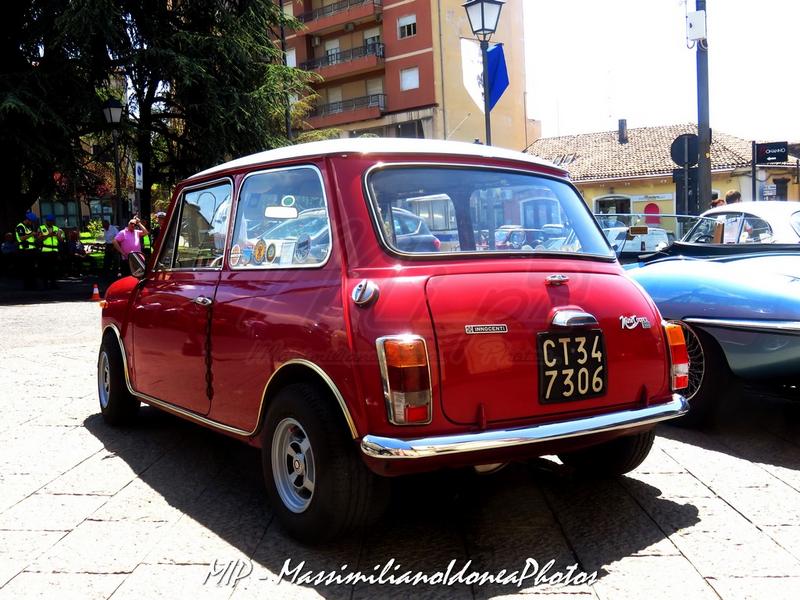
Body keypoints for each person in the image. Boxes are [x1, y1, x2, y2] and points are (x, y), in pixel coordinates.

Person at [15, 211, 40, 289]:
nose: (32, 223)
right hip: (24, 251)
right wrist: (31, 234)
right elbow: (21, 238)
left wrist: (36, 236)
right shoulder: (20, 226)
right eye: (32, 221)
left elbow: (31, 238)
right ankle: (27, 286)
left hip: (31, 250)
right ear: (28, 220)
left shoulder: (29, 226)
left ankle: (32, 285)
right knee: (27, 269)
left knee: (32, 269)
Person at [39, 214, 64, 288]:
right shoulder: (41, 228)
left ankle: (54, 284)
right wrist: (49, 235)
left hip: (54, 251)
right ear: (46, 221)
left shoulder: (57, 228)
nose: (51, 222)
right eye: (49, 221)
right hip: (45, 251)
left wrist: (59, 236)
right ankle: (45, 284)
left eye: (52, 221)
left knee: (54, 269)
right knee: (45, 269)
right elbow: (39, 239)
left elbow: (61, 240)